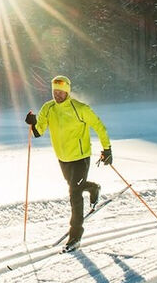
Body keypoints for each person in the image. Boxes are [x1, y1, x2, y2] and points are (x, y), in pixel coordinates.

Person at [25, 75, 112, 253]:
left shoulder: (80, 109)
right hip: (63, 158)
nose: (57, 95)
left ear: (67, 92)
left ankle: (75, 236)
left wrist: (107, 149)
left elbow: (99, 126)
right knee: (74, 186)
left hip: (81, 157)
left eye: (61, 92)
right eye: (55, 92)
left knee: (74, 194)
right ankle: (94, 188)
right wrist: (33, 124)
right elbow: (39, 132)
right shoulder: (48, 108)